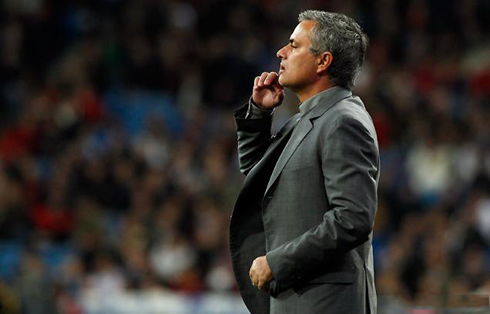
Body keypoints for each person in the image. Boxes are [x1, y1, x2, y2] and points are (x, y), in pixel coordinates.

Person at [229, 10, 379, 314]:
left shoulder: (342, 122)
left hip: (325, 303)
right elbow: (259, 175)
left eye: (294, 46)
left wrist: (277, 262)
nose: (281, 52)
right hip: (300, 299)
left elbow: (352, 219)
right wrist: (259, 113)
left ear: (323, 61)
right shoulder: (307, 120)